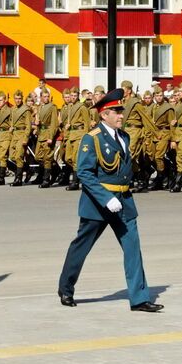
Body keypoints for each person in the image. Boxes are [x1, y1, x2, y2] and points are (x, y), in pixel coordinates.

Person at [57, 88, 163, 313]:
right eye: (116, 111)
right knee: (81, 247)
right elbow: (84, 173)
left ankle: (139, 298)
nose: (121, 115)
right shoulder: (92, 138)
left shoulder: (124, 136)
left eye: (121, 111)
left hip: (123, 201)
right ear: (104, 114)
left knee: (133, 248)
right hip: (98, 204)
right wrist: (106, 198)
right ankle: (66, 288)